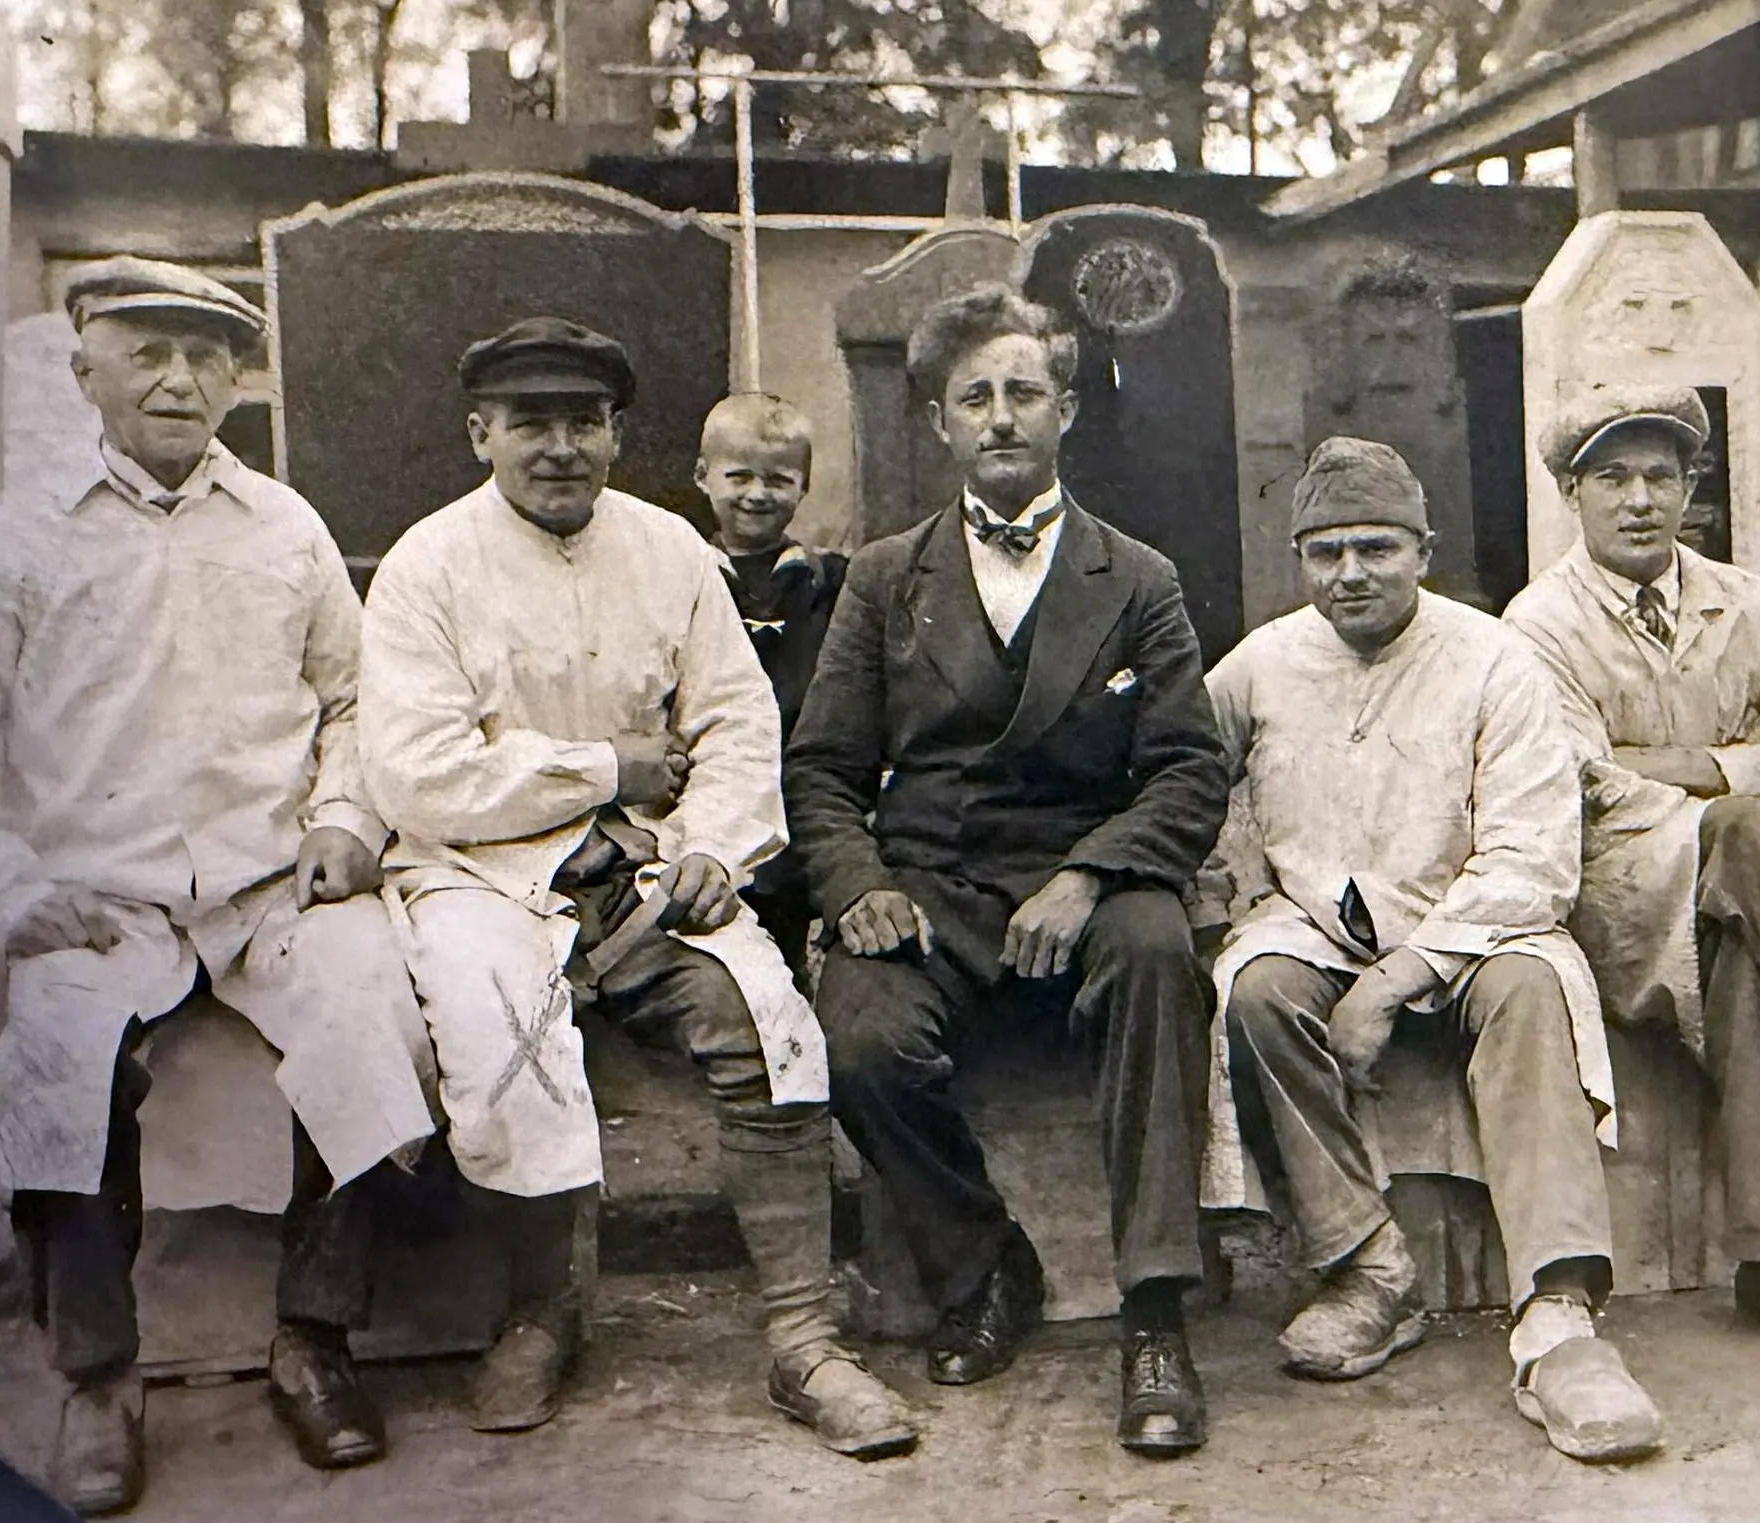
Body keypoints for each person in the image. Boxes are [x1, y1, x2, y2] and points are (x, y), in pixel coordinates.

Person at [355, 317, 915, 1459]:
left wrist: (714, 844)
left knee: (764, 1018)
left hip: (649, 868)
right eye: (531, 423)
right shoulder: (426, 564)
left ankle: (804, 1338)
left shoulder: (669, 552)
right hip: (483, 875)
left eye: (584, 422)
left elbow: (736, 723)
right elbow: (417, 771)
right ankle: (543, 1312)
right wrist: (602, 769)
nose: (560, 447)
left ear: (616, 433)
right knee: (501, 1036)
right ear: (481, 434)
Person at [0, 258, 440, 1515]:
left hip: (270, 883)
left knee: (375, 1006)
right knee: (56, 1058)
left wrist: (343, 817)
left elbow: (355, 699)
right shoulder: (13, 538)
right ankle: (98, 1375)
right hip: (99, 894)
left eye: (206, 356)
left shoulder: (285, 526)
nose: (177, 380)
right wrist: (8, 888)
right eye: (147, 353)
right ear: (87, 371)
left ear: (237, 380)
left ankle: (313, 1337)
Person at [785, 285, 1228, 1456]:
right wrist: (860, 885)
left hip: (1086, 878)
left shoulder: (1138, 577)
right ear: (941, 423)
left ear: (1065, 410)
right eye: (973, 396)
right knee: (861, 1035)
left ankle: (1155, 1313)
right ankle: (985, 1262)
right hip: (932, 883)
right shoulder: (885, 577)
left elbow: (1188, 769)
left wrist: (1090, 874)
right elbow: (822, 768)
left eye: (1024, 391)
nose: (1000, 416)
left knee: (1159, 958)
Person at [1197, 437, 1659, 1463]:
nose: (1350, 573)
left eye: (1377, 548)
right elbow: (1182, 779)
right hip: (1318, 928)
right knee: (1259, 988)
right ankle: (1369, 1268)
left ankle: (1559, 1315)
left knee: (1534, 984)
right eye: (1325, 552)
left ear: (1424, 550)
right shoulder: (1259, 665)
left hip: (1471, 930)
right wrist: (1221, 887)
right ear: (1299, 558)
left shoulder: (1497, 660)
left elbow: (1533, 858)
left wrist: (1396, 980)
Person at [1504, 385, 1760, 1366]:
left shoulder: (1747, 605)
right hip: (1614, 898)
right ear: (1572, 493)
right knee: (1741, 835)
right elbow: (1587, 794)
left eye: (1662, 476)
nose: (1639, 499)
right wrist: (1742, 782)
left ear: (1691, 488)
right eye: (1612, 477)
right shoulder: (1538, 626)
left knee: (1756, 939)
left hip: (1739, 893)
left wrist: (1703, 763)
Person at [695, 393, 846, 975]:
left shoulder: (829, 584)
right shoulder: (681, 574)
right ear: (703, 476)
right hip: (716, 792)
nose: (757, 494)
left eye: (779, 480)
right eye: (739, 476)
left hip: (799, 792)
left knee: (790, 950)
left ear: (804, 486)